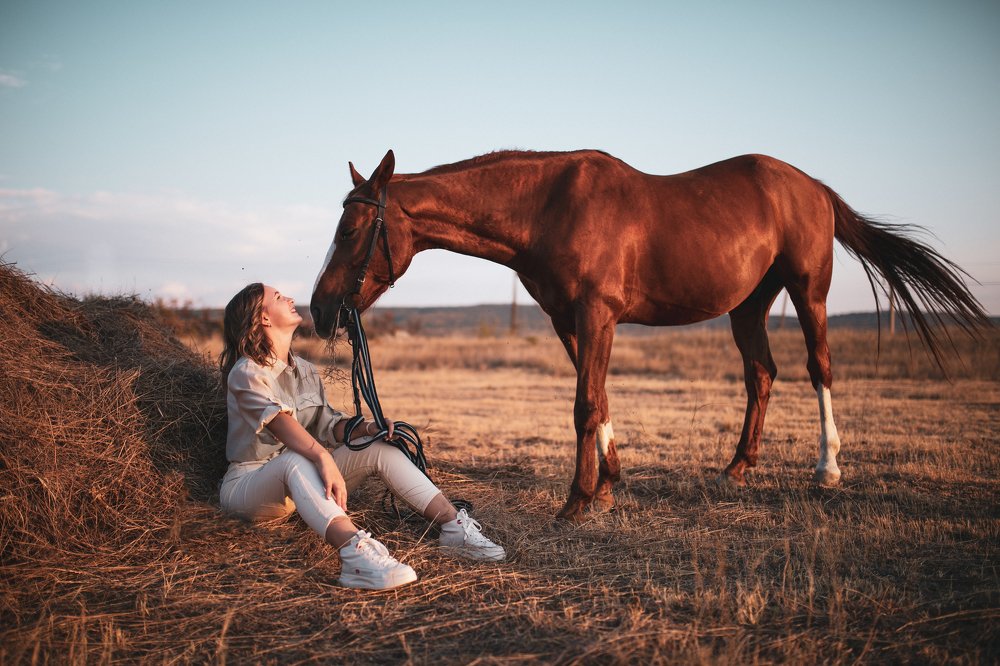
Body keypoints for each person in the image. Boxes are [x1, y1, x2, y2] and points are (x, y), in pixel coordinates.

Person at [218, 283, 505, 590]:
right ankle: (356, 555)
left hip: (304, 486)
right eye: (277, 297)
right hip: (250, 487)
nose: (289, 298)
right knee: (295, 459)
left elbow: (327, 425)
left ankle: (453, 528)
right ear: (262, 318)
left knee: (378, 447)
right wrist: (322, 456)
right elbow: (280, 424)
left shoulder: (305, 370)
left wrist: (369, 428)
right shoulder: (247, 372)